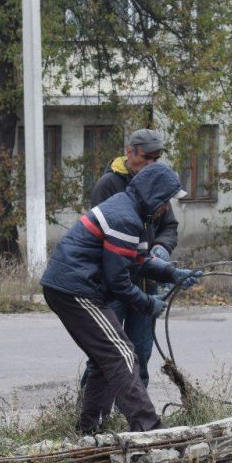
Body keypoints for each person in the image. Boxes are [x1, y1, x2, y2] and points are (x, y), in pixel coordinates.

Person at [41, 163, 201, 434]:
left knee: (105, 360)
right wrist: (147, 303)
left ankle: (89, 429)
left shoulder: (133, 213)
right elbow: (117, 280)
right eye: (165, 201)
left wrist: (171, 273)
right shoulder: (125, 218)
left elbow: (137, 261)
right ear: (153, 194)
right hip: (75, 289)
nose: (166, 208)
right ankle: (149, 428)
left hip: (72, 287)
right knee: (123, 353)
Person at [80, 128, 180, 390]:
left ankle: (135, 412)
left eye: (156, 159)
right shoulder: (108, 185)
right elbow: (102, 240)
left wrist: (161, 248)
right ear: (129, 152)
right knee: (106, 356)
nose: (151, 163)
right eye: (146, 157)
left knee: (141, 354)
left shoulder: (157, 183)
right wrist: (143, 258)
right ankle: (88, 411)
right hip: (113, 286)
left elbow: (169, 226)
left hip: (146, 284)